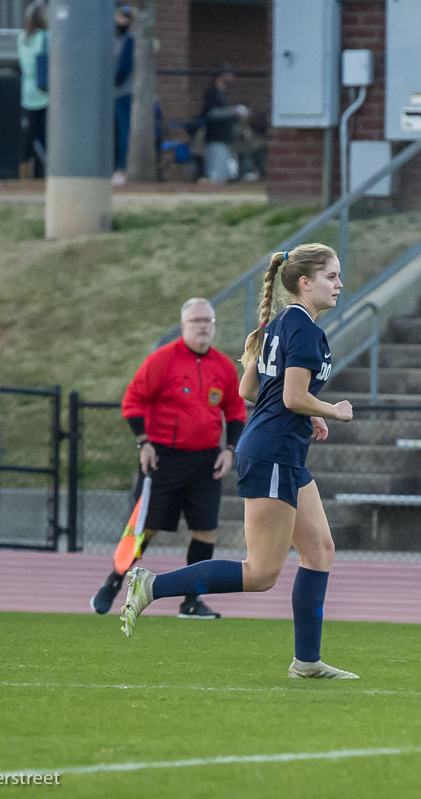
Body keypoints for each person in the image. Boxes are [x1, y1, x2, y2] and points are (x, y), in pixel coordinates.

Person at [118, 244, 359, 681]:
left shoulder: (282, 322)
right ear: (305, 283)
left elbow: (251, 390)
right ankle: (151, 584)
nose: (340, 284)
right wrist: (330, 411)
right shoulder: (302, 329)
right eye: (332, 276)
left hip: (282, 450)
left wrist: (309, 416)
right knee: (262, 572)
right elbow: (290, 396)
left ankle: (306, 662)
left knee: (320, 550)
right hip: (271, 454)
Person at [90, 298, 247, 619]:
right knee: (144, 529)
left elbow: (235, 410)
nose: (203, 326)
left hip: (206, 462)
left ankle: (191, 601)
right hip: (163, 459)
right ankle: (114, 582)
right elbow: (133, 400)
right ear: (184, 326)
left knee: (206, 531)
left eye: (208, 320)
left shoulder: (224, 367)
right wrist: (144, 443)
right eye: (196, 321)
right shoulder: (162, 360)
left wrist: (229, 450)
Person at [201, 62, 250, 184]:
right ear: (221, 76)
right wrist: (233, 110)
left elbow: (226, 115)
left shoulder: (222, 94)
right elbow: (212, 113)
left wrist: (238, 115)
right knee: (215, 176)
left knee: (223, 175)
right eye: (228, 75)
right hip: (215, 137)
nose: (231, 78)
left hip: (225, 138)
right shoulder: (212, 93)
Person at [15, 1, 48, 179]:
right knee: (46, 136)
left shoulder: (22, 38)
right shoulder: (46, 37)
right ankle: (45, 172)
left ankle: (24, 172)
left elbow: (23, 63)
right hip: (45, 91)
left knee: (28, 135)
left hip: (27, 90)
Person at [112, 5, 135, 187]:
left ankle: (122, 168)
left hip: (124, 93)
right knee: (114, 132)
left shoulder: (130, 40)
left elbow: (124, 69)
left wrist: (112, 81)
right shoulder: (114, 39)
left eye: (124, 18)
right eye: (119, 17)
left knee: (124, 132)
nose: (120, 22)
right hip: (113, 94)